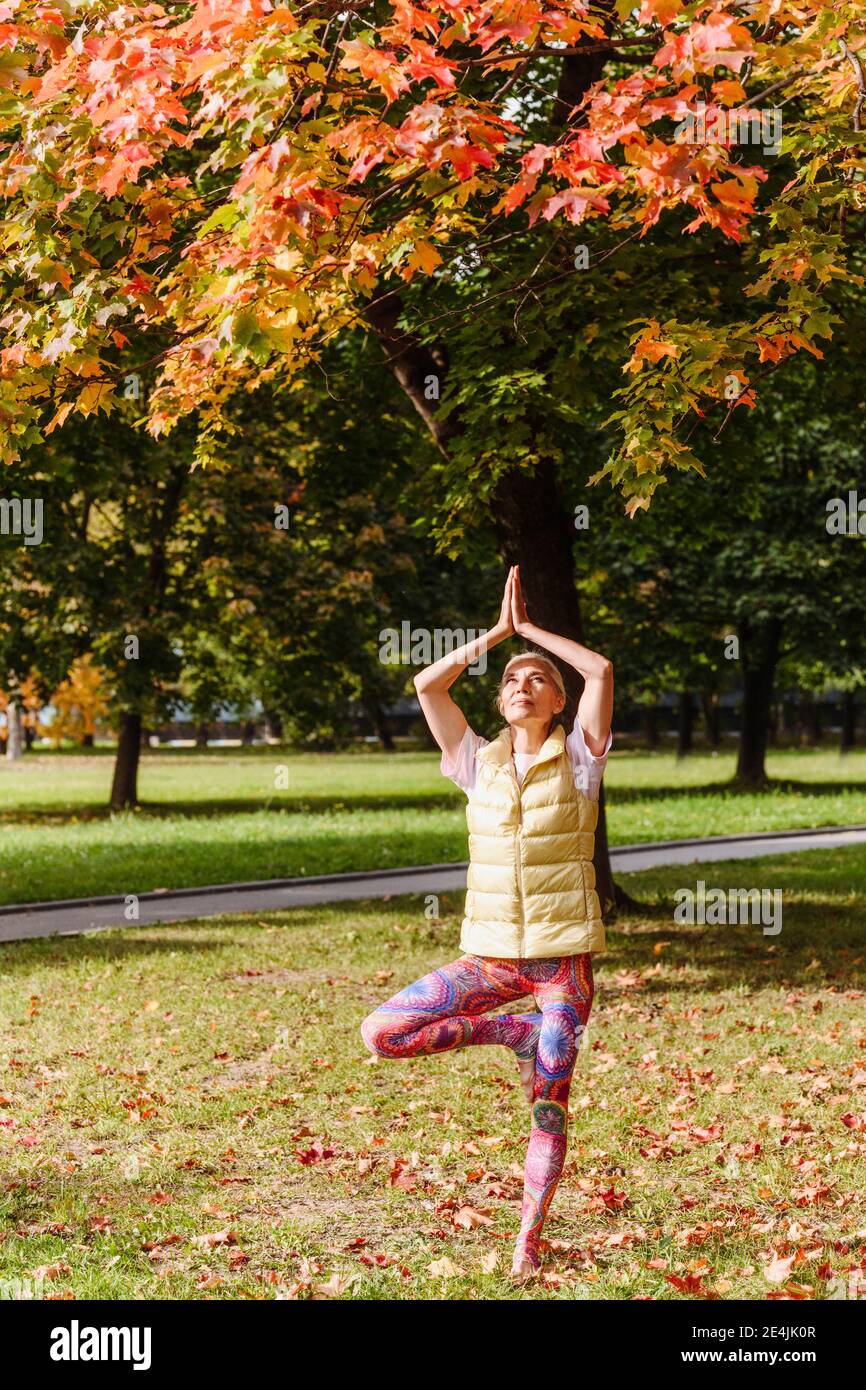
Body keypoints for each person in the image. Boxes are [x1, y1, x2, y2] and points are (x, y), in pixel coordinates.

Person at [360, 565, 614, 1281]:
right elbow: (426, 687)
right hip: (492, 958)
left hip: (562, 966)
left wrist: (531, 632)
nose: (522, 684)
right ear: (499, 702)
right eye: (511, 680)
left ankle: (526, 1245)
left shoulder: (582, 760)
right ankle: (513, 1032)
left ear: (560, 702)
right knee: (382, 1033)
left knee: (549, 1108)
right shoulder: (475, 762)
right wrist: (494, 637)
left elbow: (600, 667)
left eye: (537, 679)